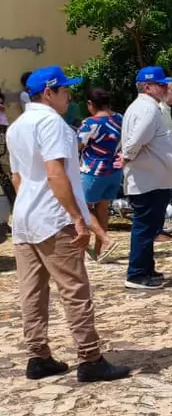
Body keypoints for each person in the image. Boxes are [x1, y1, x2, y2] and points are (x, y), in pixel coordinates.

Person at [8, 66, 131, 382]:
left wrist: (31, 206)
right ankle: (90, 357)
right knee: (75, 289)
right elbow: (55, 173)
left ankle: (38, 355)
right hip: (54, 218)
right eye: (64, 90)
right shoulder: (54, 125)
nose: (70, 95)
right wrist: (78, 219)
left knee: (32, 291)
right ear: (48, 93)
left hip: (25, 218)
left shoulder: (16, 126)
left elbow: (17, 176)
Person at [122, 66, 172, 290]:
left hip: (150, 176)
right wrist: (126, 156)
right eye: (160, 85)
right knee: (145, 226)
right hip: (148, 177)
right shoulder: (149, 109)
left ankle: (146, 268)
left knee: (149, 226)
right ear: (148, 87)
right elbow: (137, 138)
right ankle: (137, 273)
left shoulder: (140, 107)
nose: (163, 88)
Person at [77, 87, 123, 262]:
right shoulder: (120, 119)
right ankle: (98, 251)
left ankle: (105, 240)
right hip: (114, 170)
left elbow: (77, 146)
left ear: (90, 104)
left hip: (93, 171)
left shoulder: (90, 124)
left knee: (84, 208)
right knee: (102, 208)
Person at [157, 77, 172, 243]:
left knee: (164, 195)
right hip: (160, 161)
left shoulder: (166, 110)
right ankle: (157, 230)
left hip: (167, 160)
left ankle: (160, 228)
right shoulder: (158, 110)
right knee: (158, 197)